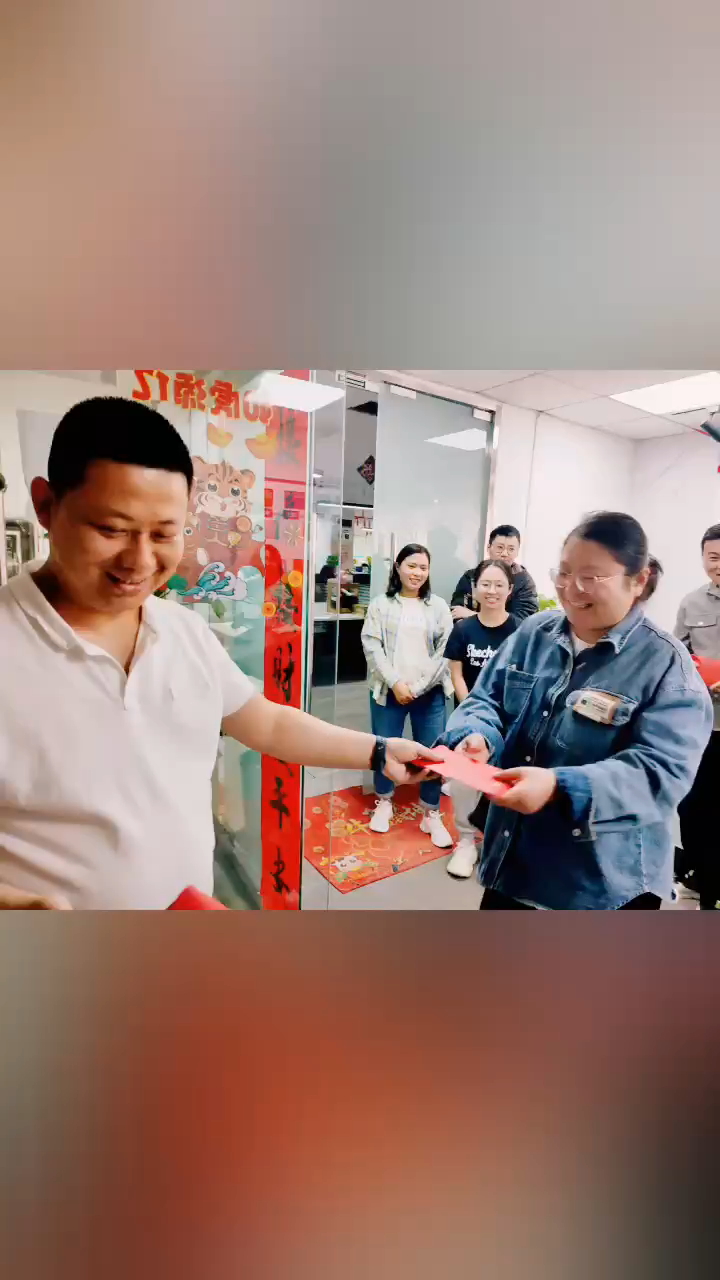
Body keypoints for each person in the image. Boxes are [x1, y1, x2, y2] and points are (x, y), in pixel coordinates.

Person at [0, 398, 439, 910]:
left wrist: (378, 751)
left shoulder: (182, 632)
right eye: (112, 529)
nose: (139, 560)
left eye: (164, 534)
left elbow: (266, 723)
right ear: (46, 505)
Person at [438, 511, 712, 909]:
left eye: (591, 577)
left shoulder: (667, 668)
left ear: (638, 580)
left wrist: (559, 788)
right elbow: (486, 700)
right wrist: (476, 734)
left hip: (601, 884)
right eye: (564, 573)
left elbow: (660, 775)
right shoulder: (534, 634)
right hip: (513, 861)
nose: (571, 589)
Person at [361, 543, 454, 847]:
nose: (417, 573)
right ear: (398, 567)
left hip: (430, 692)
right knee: (384, 747)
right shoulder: (381, 604)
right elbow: (372, 646)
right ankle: (384, 801)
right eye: (411, 566)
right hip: (389, 690)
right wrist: (396, 682)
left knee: (432, 753)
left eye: (423, 567)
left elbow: (445, 652)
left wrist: (418, 687)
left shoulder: (438, 607)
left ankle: (431, 812)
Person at [443, 559, 518, 878]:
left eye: (499, 585)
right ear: (474, 588)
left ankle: (498, 842)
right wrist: (474, 710)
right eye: (485, 584)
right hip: (471, 715)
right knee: (464, 779)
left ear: (510, 590)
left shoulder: (521, 631)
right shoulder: (464, 629)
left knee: (503, 782)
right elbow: (457, 674)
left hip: (511, 720)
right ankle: (465, 842)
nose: (492, 591)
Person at [674, 524, 720, 909]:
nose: (718, 565)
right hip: (702, 725)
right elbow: (677, 657)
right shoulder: (691, 603)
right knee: (691, 806)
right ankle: (701, 877)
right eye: (713, 557)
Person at [451, 524, 538, 623]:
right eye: (500, 547)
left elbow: (523, 621)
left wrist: (474, 615)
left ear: (517, 552)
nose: (504, 554)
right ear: (489, 548)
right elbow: (457, 612)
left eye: (511, 549)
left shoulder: (524, 582)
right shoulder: (471, 576)